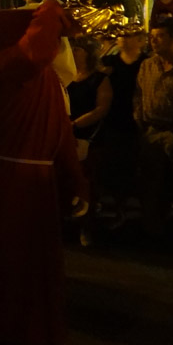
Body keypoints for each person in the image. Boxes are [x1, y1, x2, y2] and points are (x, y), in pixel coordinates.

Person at [0, 0, 88, 345]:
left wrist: (76, 183)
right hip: (10, 181)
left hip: (37, 182)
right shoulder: (16, 67)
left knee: (40, 265)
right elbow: (34, 53)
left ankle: (38, 332)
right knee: (10, 262)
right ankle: (9, 335)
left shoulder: (53, 87)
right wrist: (50, 9)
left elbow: (64, 141)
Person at [133, 18, 173, 242]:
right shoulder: (148, 65)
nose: (154, 41)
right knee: (151, 182)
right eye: (152, 36)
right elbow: (139, 94)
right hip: (150, 131)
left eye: (160, 36)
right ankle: (152, 231)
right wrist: (139, 118)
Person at [67, 36, 113, 246]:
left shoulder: (99, 79)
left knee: (87, 183)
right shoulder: (65, 77)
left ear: (88, 53)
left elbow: (101, 108)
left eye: (78, 49)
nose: (74, 53)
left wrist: (76, 124)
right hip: (65, 134)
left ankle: (87, 226)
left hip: (88, 136)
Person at [99, 29, 147, 225]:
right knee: (113, 162)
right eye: (120, 36)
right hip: (113, 119)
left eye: (127, 36)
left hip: (137, 120)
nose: (121, 39)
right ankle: (117, 205)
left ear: (139, 41)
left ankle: (133, 207)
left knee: (135, 163)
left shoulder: (146, 63)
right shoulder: (109, 63)